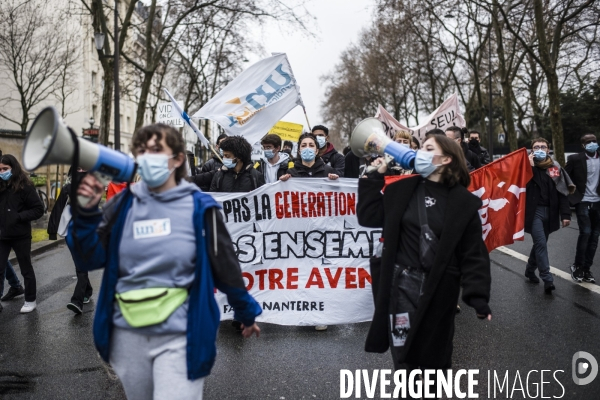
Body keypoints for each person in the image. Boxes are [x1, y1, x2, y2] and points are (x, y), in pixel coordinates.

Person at [67, 124, 261, 399]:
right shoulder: (121, 204)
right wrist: (85, 214)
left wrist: (245, 312)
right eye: (142, 151)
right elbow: (90, 257)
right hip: (127, 337)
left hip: (182, 335)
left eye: (157, 150)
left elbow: (226, 267)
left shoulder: (201, 207)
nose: (148, 157)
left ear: (178, 159)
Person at [357, 134, 491, 390]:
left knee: (434, 363)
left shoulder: (463, 203)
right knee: (404, 360)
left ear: (446, 159)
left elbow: (473, 253)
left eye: (429, 148)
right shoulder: (400, 190)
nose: (420, 152)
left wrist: (478, 297)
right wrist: (374, 177)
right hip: (400, 291)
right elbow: (369, 216)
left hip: (438, 293)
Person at [280, 133, 338, 331]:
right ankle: (304, 309)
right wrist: (282, 184)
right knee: (303, 272)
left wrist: (336, 183)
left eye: (310, 144)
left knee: (320, 272)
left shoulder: (328, 171)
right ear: (298, 149)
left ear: (316, 149)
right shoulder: (291, 173)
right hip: (299, 232)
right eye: (303, 144)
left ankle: (321, 313)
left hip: (322, 231)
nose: (307, 147)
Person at [524, 138, 573, 293]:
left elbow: (562, 192)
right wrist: (530, 168)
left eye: (543, 147)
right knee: (540, 244)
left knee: (540, 243)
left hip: (550, 211)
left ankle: (530, 270)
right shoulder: (525, 167)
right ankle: (547, 279)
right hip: (534, 212)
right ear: (531, 150)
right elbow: (522, 186)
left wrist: (566, 214)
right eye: (536, 147)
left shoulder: (555, 167)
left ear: (548, 149)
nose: (540, 149)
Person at [0, 154, 44, 313]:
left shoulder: (25, 186)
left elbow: (39, 209)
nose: (2, 172)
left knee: (26, 268)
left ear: (13, 168)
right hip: (2, 235)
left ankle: (30, 300)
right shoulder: (1, 186)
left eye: (5, 169)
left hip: (20, 235)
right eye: (0, 169)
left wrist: (18, 217)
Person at [47, 167, 94, 315]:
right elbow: (57, 209)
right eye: (78, 169)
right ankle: (87, 290)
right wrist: (52, 231)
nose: (81, 172)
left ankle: (77, 301)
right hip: (70, 235)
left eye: (84, 169)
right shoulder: (67, 188)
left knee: (81, 267)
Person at [565, 133, 600, 283]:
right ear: (583, 145)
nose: (592, 143)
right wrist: (572, 197)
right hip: (583, 201)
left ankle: (586, 269)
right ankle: (577, 266)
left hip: (598, 202)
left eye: (594, 141)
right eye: (588, 142)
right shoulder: (575, 159)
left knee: (595, 236)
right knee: (585, 232)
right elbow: (565, 178)